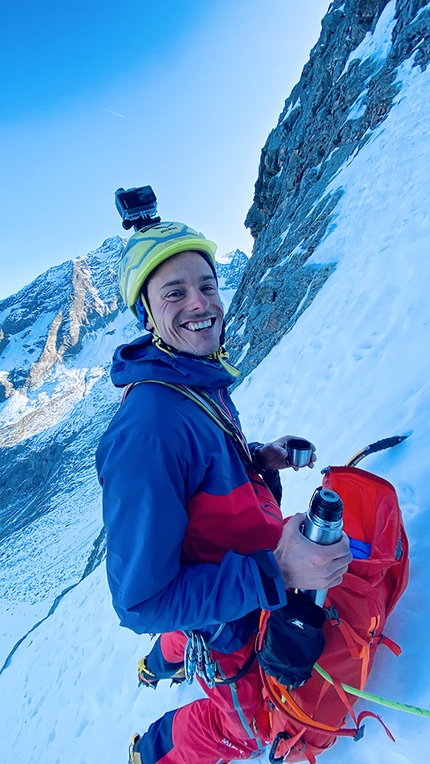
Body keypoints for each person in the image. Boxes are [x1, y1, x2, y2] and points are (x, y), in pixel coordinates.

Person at [96, 221, 352, 764]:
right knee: (249, 727)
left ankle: (161, 662)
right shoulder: (148, 430)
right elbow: (142, 600)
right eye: (175, 292)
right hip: (229, 610)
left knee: (196, 630)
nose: (200, 303)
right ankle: (156, 747)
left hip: (240, 575)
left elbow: (202, 482)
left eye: (207, 285)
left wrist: (258, 458)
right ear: (147, 315)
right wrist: (278, 573)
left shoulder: (192, 375)